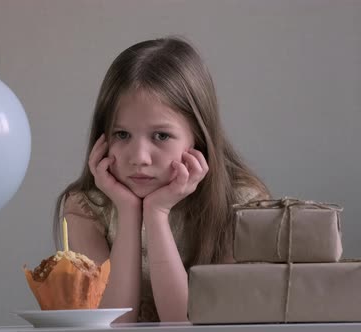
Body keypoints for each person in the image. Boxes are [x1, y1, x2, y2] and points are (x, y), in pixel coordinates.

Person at [52, 36, 270, 323]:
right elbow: (113, 325)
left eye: (161, 136)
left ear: (199, 137)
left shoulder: (240, 206)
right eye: (122, 135)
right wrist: (129, 213)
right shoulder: (86, 207)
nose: (139, 157)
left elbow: (186, 324)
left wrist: (157, 213)